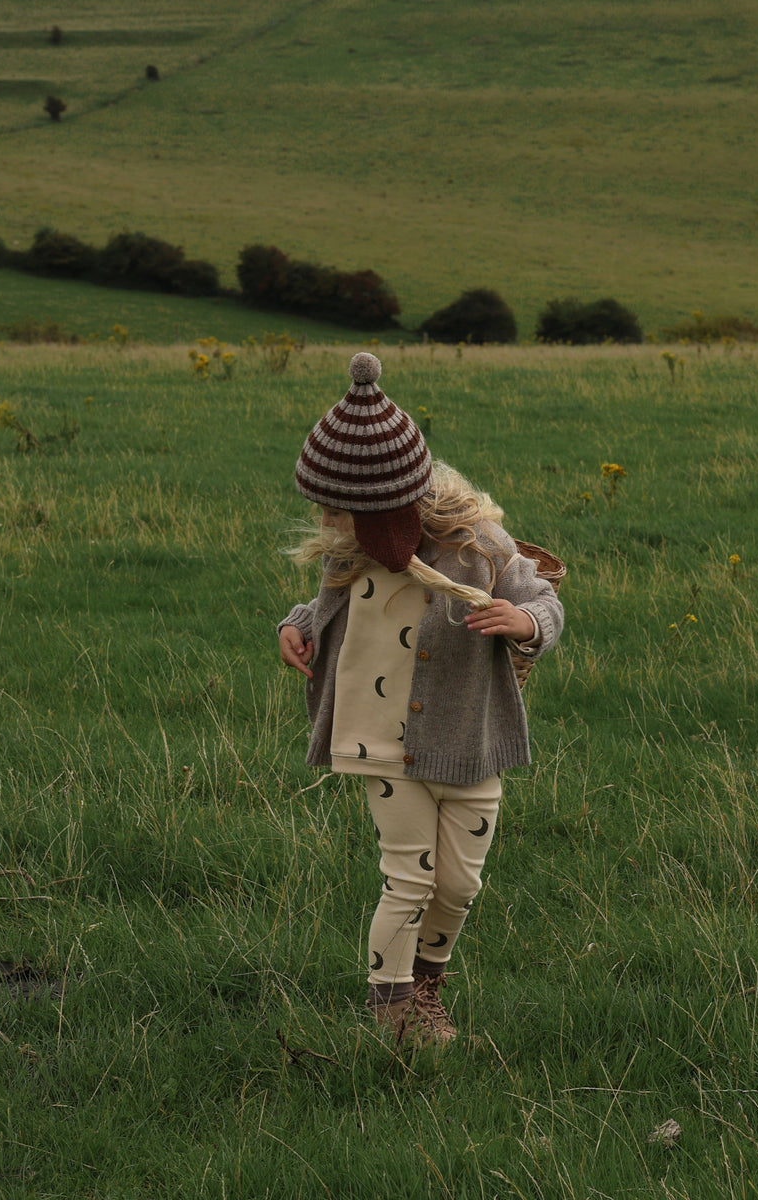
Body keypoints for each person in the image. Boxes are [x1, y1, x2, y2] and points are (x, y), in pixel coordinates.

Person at [277, 352, 564, 1045]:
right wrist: (293, 627)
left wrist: (523, 623)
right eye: (328, 509)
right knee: (410, 876)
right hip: (380, 739)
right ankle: (392, 1011)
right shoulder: (349, 551)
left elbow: (543, 602)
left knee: (459, 886)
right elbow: (324, 610)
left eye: (342, 509)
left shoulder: (481, 547)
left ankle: (429, 985)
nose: (330, 520)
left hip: (469, 740)